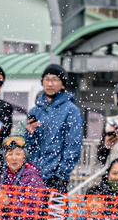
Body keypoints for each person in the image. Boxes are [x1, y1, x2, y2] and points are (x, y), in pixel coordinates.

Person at [24, 63, 83, 193]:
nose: (50, 84)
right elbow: (29, 147)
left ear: (63, 84)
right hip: (33, 175)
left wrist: (61, 174)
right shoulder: (35, 110)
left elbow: (74, 145)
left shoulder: (72, 111)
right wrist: (29, 134)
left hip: (54, 176)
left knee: (55, 212)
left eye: (55, 80)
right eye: (47, 79)